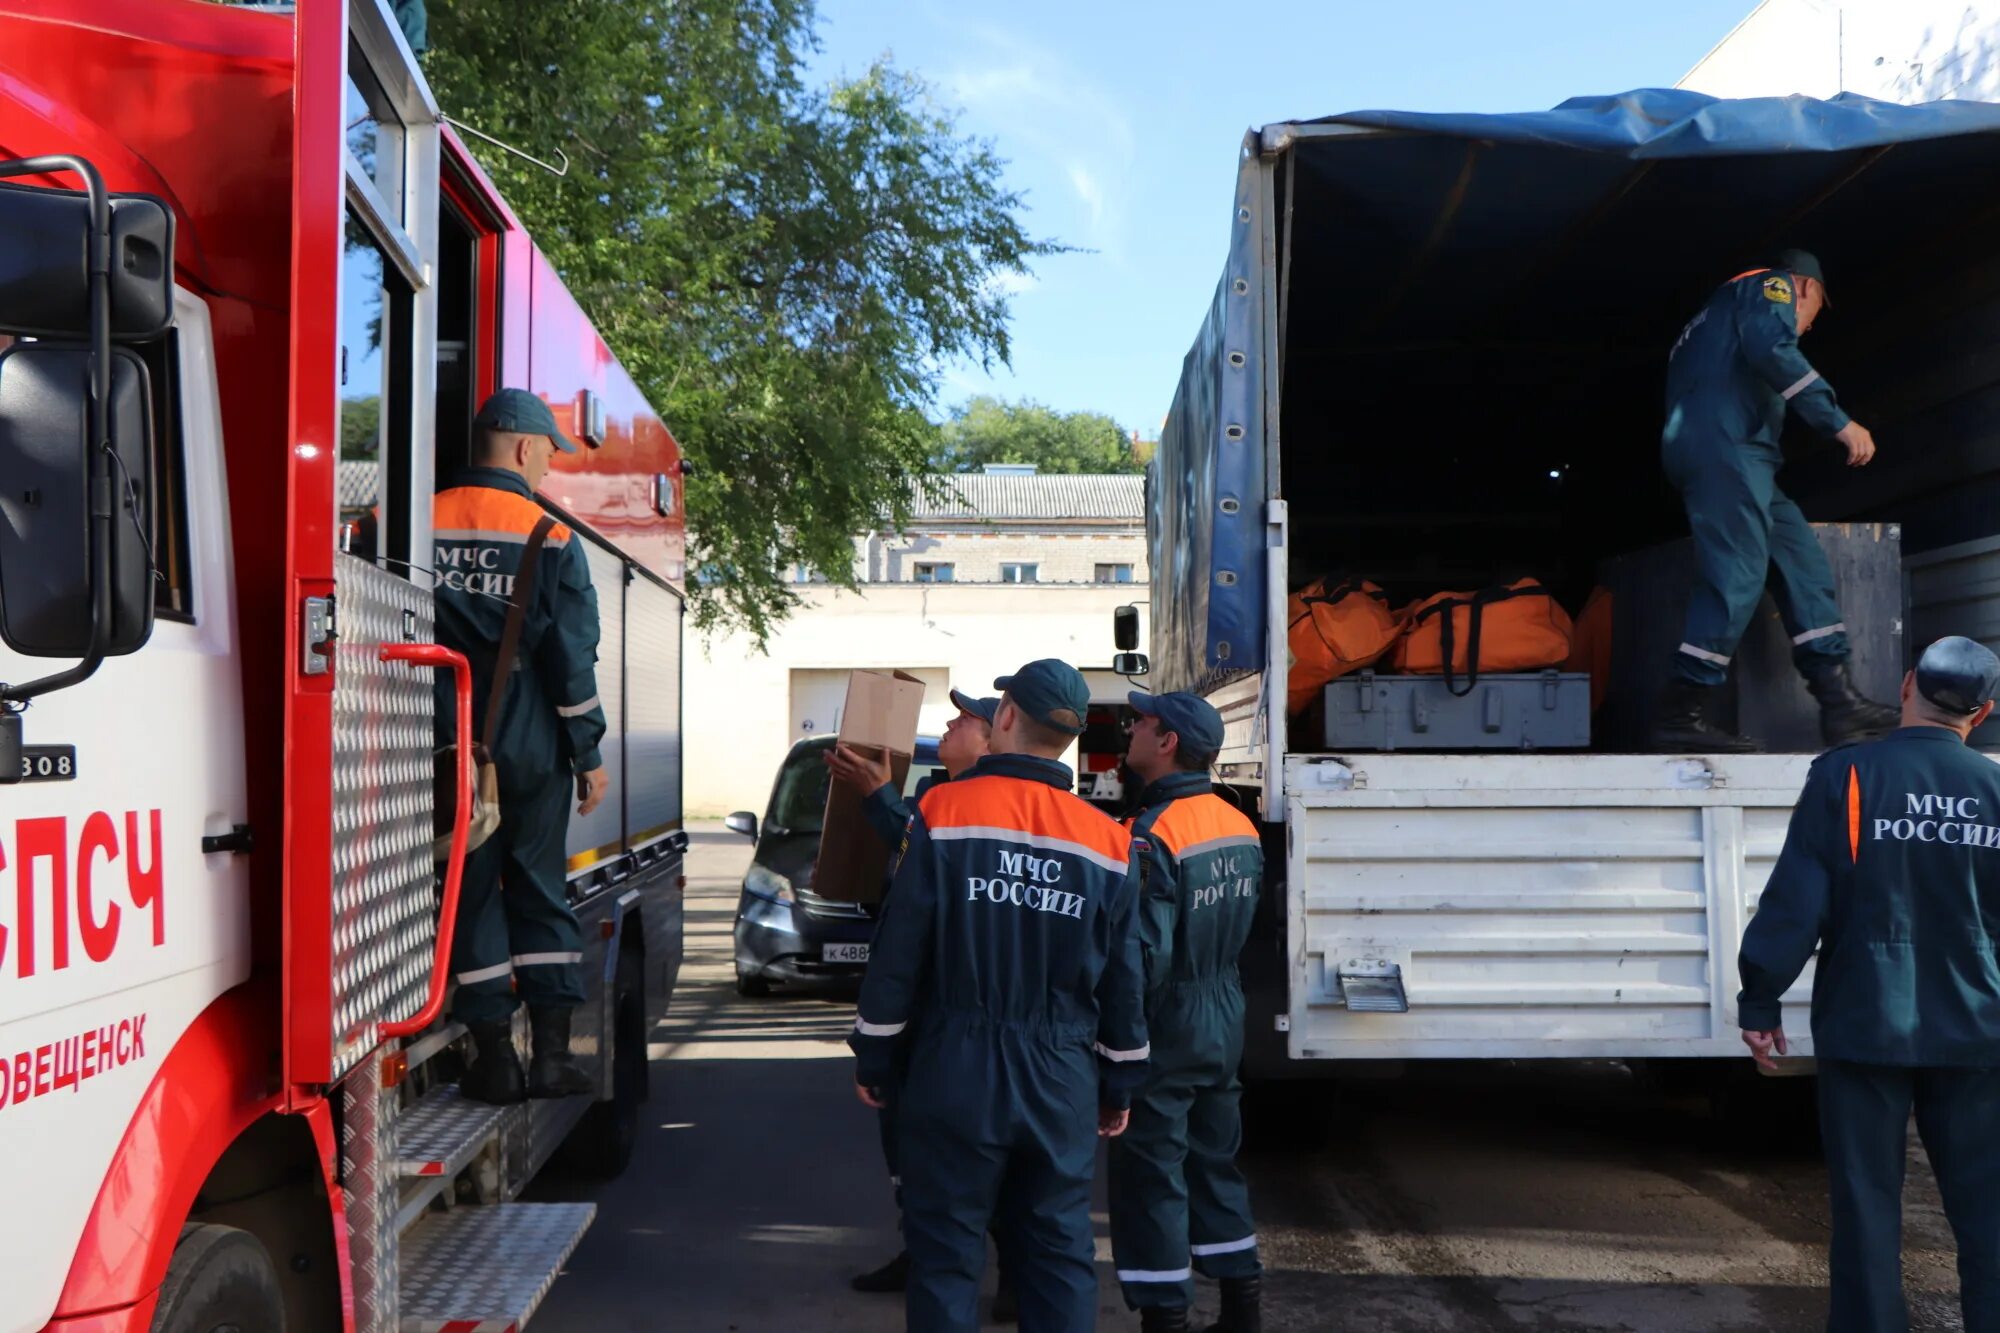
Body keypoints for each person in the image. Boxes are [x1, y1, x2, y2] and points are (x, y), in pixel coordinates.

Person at [850, 659, 1150, 1332]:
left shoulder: (941, 813)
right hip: (1060, 1076)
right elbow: (1125, 982)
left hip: (956, 1067)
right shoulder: (1109, 842)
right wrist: (1119, 1084)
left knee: (947, 1256)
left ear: (1007, 715)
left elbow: (899, 955)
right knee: (1058, 1252)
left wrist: (875, 1055)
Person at [1737, 635, 2000, 1333]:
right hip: (1980, 1027)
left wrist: (1761, 994)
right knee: (1989, 1210)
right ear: (1985, 711)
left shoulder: (1845, 777)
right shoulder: (1997, 791)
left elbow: (1796, 902)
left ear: (1908, 682)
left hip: (1864, 1019)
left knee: (1867, 1206)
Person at [434, 388, 610, 1104]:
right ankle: (553, 1058)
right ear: (521, 447)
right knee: (538, 889)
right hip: (529, 742)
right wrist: (588, 755)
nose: (546, 469)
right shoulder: (552, 536)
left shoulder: (404, 521)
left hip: (440, 739)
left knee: (469, 896)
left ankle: (493, 1060)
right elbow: (572, 660)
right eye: (546, 454)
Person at [1652, 248, 1900, 753]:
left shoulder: (1708, 321)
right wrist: (1839, 421)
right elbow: (1774, 349)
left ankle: (1840, 703)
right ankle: (1681, 710)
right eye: (1811, 316)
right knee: (1737, 575)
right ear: (1807, 288)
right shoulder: (1771, 287)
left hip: (1738, 457)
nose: (1804, 328)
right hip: (1727, 452)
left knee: (1801, 562)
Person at [828, 690, 1015, 1317]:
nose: (948, 723)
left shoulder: (985, 808)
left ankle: (1007, 1272)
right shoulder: (939, 797)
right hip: (923, 1016)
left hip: (961, 1016)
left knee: (976, 1152)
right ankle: (918, 1250)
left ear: (994, 739)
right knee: (907, 1144)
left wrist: (879, 796)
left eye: (963, 719)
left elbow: (931, 850)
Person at [1109, 692, 1264, 1333]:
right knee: (1214, 1159)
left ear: (1167, 741)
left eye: (1140, 724)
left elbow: (1144, 955)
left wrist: (1119, 1045)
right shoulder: (1239, 824)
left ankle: (1166, 1318)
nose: (1131, 731)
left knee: (1151, 1170)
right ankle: (1241, 1303)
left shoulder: (1153, 835)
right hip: (1224, 1009)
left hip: (1170, 1017)